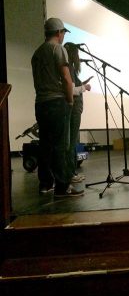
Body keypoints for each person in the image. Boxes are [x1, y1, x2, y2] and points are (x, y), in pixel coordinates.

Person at [32, 18, 79, 197]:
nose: (63, 36)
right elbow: (67, 79)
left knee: (45, 145)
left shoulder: (37, 53)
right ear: (59, 33)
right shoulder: (58, 49)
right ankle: (62, 187)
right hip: (56, 102)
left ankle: (45, 184)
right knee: (60, 146)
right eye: (63, 33)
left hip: (40, 103)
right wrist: (70, 100)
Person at [63, 42, 91, 184]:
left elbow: (74, 87)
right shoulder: (69, 67)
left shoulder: (70, 68)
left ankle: (71, 173)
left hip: (74, 110)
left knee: (72, 142)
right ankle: (70, 174)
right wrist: (85, 87)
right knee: (71, 142)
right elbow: (72, 91)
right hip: (73, 110)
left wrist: (82, 84)